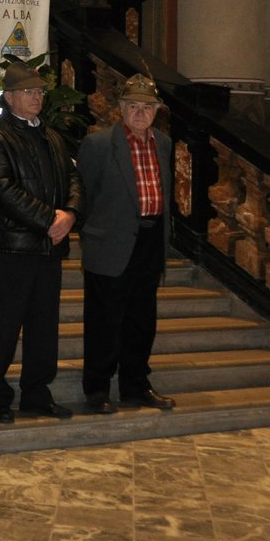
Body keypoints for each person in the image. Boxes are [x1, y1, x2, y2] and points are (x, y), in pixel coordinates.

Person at [0, 61, 84, 422]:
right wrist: (48, 220)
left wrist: (69, 213)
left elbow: (72, 178)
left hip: (48, 247)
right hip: (11, 247)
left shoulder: (52, 136)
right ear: (8, 97)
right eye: (27, 91)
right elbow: (3, 190)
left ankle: (37, 393)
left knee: (43, 327)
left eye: (38, 91)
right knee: (3, 326)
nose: (36, 97)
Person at [77, 74, 177, 413]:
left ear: (156, 111)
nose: (140, 112)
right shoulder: (99, 144)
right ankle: (97, 389)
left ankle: (136, 385)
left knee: (141, 320)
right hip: (110, 242)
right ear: (120, 109)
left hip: (150, 240)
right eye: (132, 106)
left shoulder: (164, 143)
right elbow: (86, 194)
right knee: (105, 320)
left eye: (146, 107)